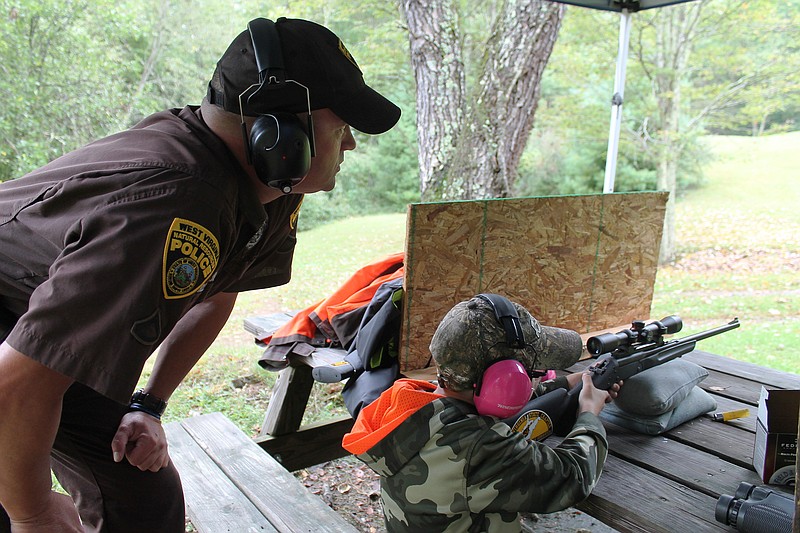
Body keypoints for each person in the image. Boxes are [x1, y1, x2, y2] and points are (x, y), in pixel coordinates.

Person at [0, 16, 400, 533]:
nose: (350, 146)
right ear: (277, 131)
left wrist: (148, 405)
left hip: (42, 332)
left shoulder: (273, 185)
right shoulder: (175, 202)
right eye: (341, 127)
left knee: (143, 500)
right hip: (17, 333)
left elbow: (218, 291)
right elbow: (16, 384)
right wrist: (32, 512)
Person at [343, 295, 620, 532]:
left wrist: (571, 383)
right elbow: (572, 477)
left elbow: (488, 411)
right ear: (505, 381)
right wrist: (589, 412)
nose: (533, 380)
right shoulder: (478, 446)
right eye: (530, 374)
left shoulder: (412, 405)